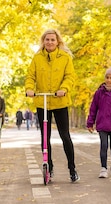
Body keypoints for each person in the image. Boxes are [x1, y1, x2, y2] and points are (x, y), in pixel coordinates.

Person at [25, 29, 79, 182]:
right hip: (42, 102)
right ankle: (49, 166)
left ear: (58, 42)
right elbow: (30, 76)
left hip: (60, 102)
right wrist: (29, 88)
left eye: (52, 40)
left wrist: (64, 88)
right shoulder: (37, 58)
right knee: (45, 137)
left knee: (65, 136)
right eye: (47, 39)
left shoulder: (65, 58)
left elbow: (70, 76)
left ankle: (72, 168)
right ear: (43, 41)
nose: (49, 42)